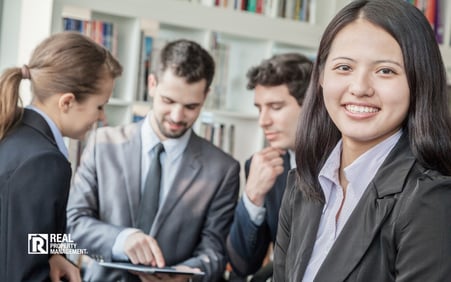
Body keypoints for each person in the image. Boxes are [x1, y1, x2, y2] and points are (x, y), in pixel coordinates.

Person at [273, 0, 451, 281]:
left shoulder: (431, 199)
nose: (359, 88)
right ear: (320, 76)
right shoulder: (302, 185)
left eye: (385, 71)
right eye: (344, 67)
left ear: (419, 81)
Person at [66, 39, 240, 282]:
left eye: (191, 106)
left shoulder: (222, 169)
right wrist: (121, 239)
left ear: (206, 96)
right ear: (151, 84)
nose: (177, 116)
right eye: (168, 101)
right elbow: (73, 226)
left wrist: (187, 276)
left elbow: (215, 251)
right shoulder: (102, 145)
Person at [0, 32, 122, 281]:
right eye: (99, 106)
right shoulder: (44, 162)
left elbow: (21, 236)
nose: (102, 118)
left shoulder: (14, 132)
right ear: (67, 102)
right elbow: (24, 272)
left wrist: (55, 253)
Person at [226, 53, 312, 280]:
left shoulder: (345, 163)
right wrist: (252, 195)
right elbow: (242, 265)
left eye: (275, 107)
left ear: (311, 105)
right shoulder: (260, 166)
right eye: (259, 108)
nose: (263, 121)